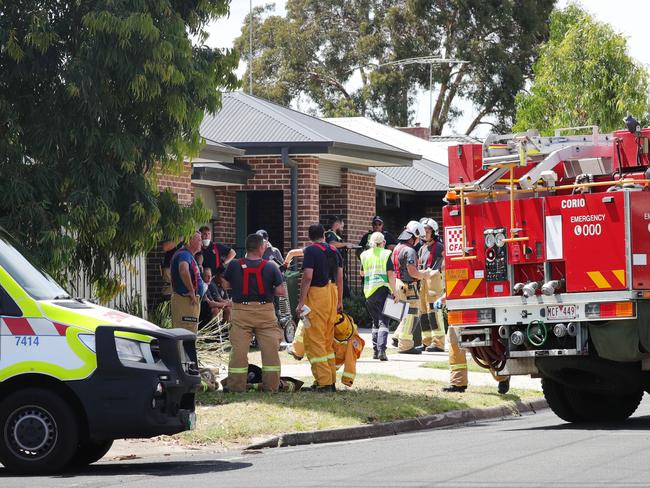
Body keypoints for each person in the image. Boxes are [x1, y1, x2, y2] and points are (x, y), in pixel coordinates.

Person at [223, 233, 285, 393]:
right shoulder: (271, 266)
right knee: (270, 350)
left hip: (240, 312)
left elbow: (225, 284)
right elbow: (280, 291)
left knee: (239, 351)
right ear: (261, 248)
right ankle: (271, 386)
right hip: (265, 312)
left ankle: (236, 387)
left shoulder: (235, 265)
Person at [296, 224, 344, 392]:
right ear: (324, 235)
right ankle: (330, 380)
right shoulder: (334, 250)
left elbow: (308, 277)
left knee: (315, 340)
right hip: (332, 294)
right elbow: (340, 277)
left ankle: (323, 382)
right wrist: (340, 301)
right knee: (327, 340)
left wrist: (301, 302)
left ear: (310, 237)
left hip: (317, 296)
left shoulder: (311, 251)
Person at [391, 223, 435, 354]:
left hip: (399, 283)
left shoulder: (397, 248)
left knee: (405, 314)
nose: (418, 241)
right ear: (413, 237)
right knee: (411, 314)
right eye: (418, 238)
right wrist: (424, 275)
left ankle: (397, 336)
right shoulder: (409, 251)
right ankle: (405, 345)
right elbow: (412, 272)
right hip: (408, 285)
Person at [288, 313, 365, 387]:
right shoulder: (345, 327)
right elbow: (350, 362)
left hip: (331, 361)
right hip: (331, 360)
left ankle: (323, 383)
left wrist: (347, 379)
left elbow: (350, 361)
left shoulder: (353, 341)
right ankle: (326, 383)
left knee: (305, 320)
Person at [360, 231, 397, 361]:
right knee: (383, 322)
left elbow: (362, 273)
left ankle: (375, 351)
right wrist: (395, 292)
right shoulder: (386, 254)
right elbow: (390, 275)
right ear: (383, 242)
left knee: (375, 322)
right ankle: (382, 351)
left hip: (368, 291)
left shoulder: (364, 255)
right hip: (382, 289)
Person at [417, 218, 446, 352]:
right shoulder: (422, 248)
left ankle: (438, 343)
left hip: (434, 281)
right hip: (423, 282)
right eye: (424, 231)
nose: (425, 233)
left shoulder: (439, 246)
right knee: (423, 312)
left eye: (427, 230)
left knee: (433, 312)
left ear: (433, 231)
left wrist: (438, 270)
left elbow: (446, 260)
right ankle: (426, 341)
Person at [170, 231, 204, 333]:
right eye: (199, 240)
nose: (201, 243)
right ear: (189, 241)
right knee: (186, 333)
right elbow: (183, 270)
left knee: (189, 333)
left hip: (188, 301)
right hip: (186, 300)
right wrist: (191, 291)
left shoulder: (186, 254)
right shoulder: (184, 254)